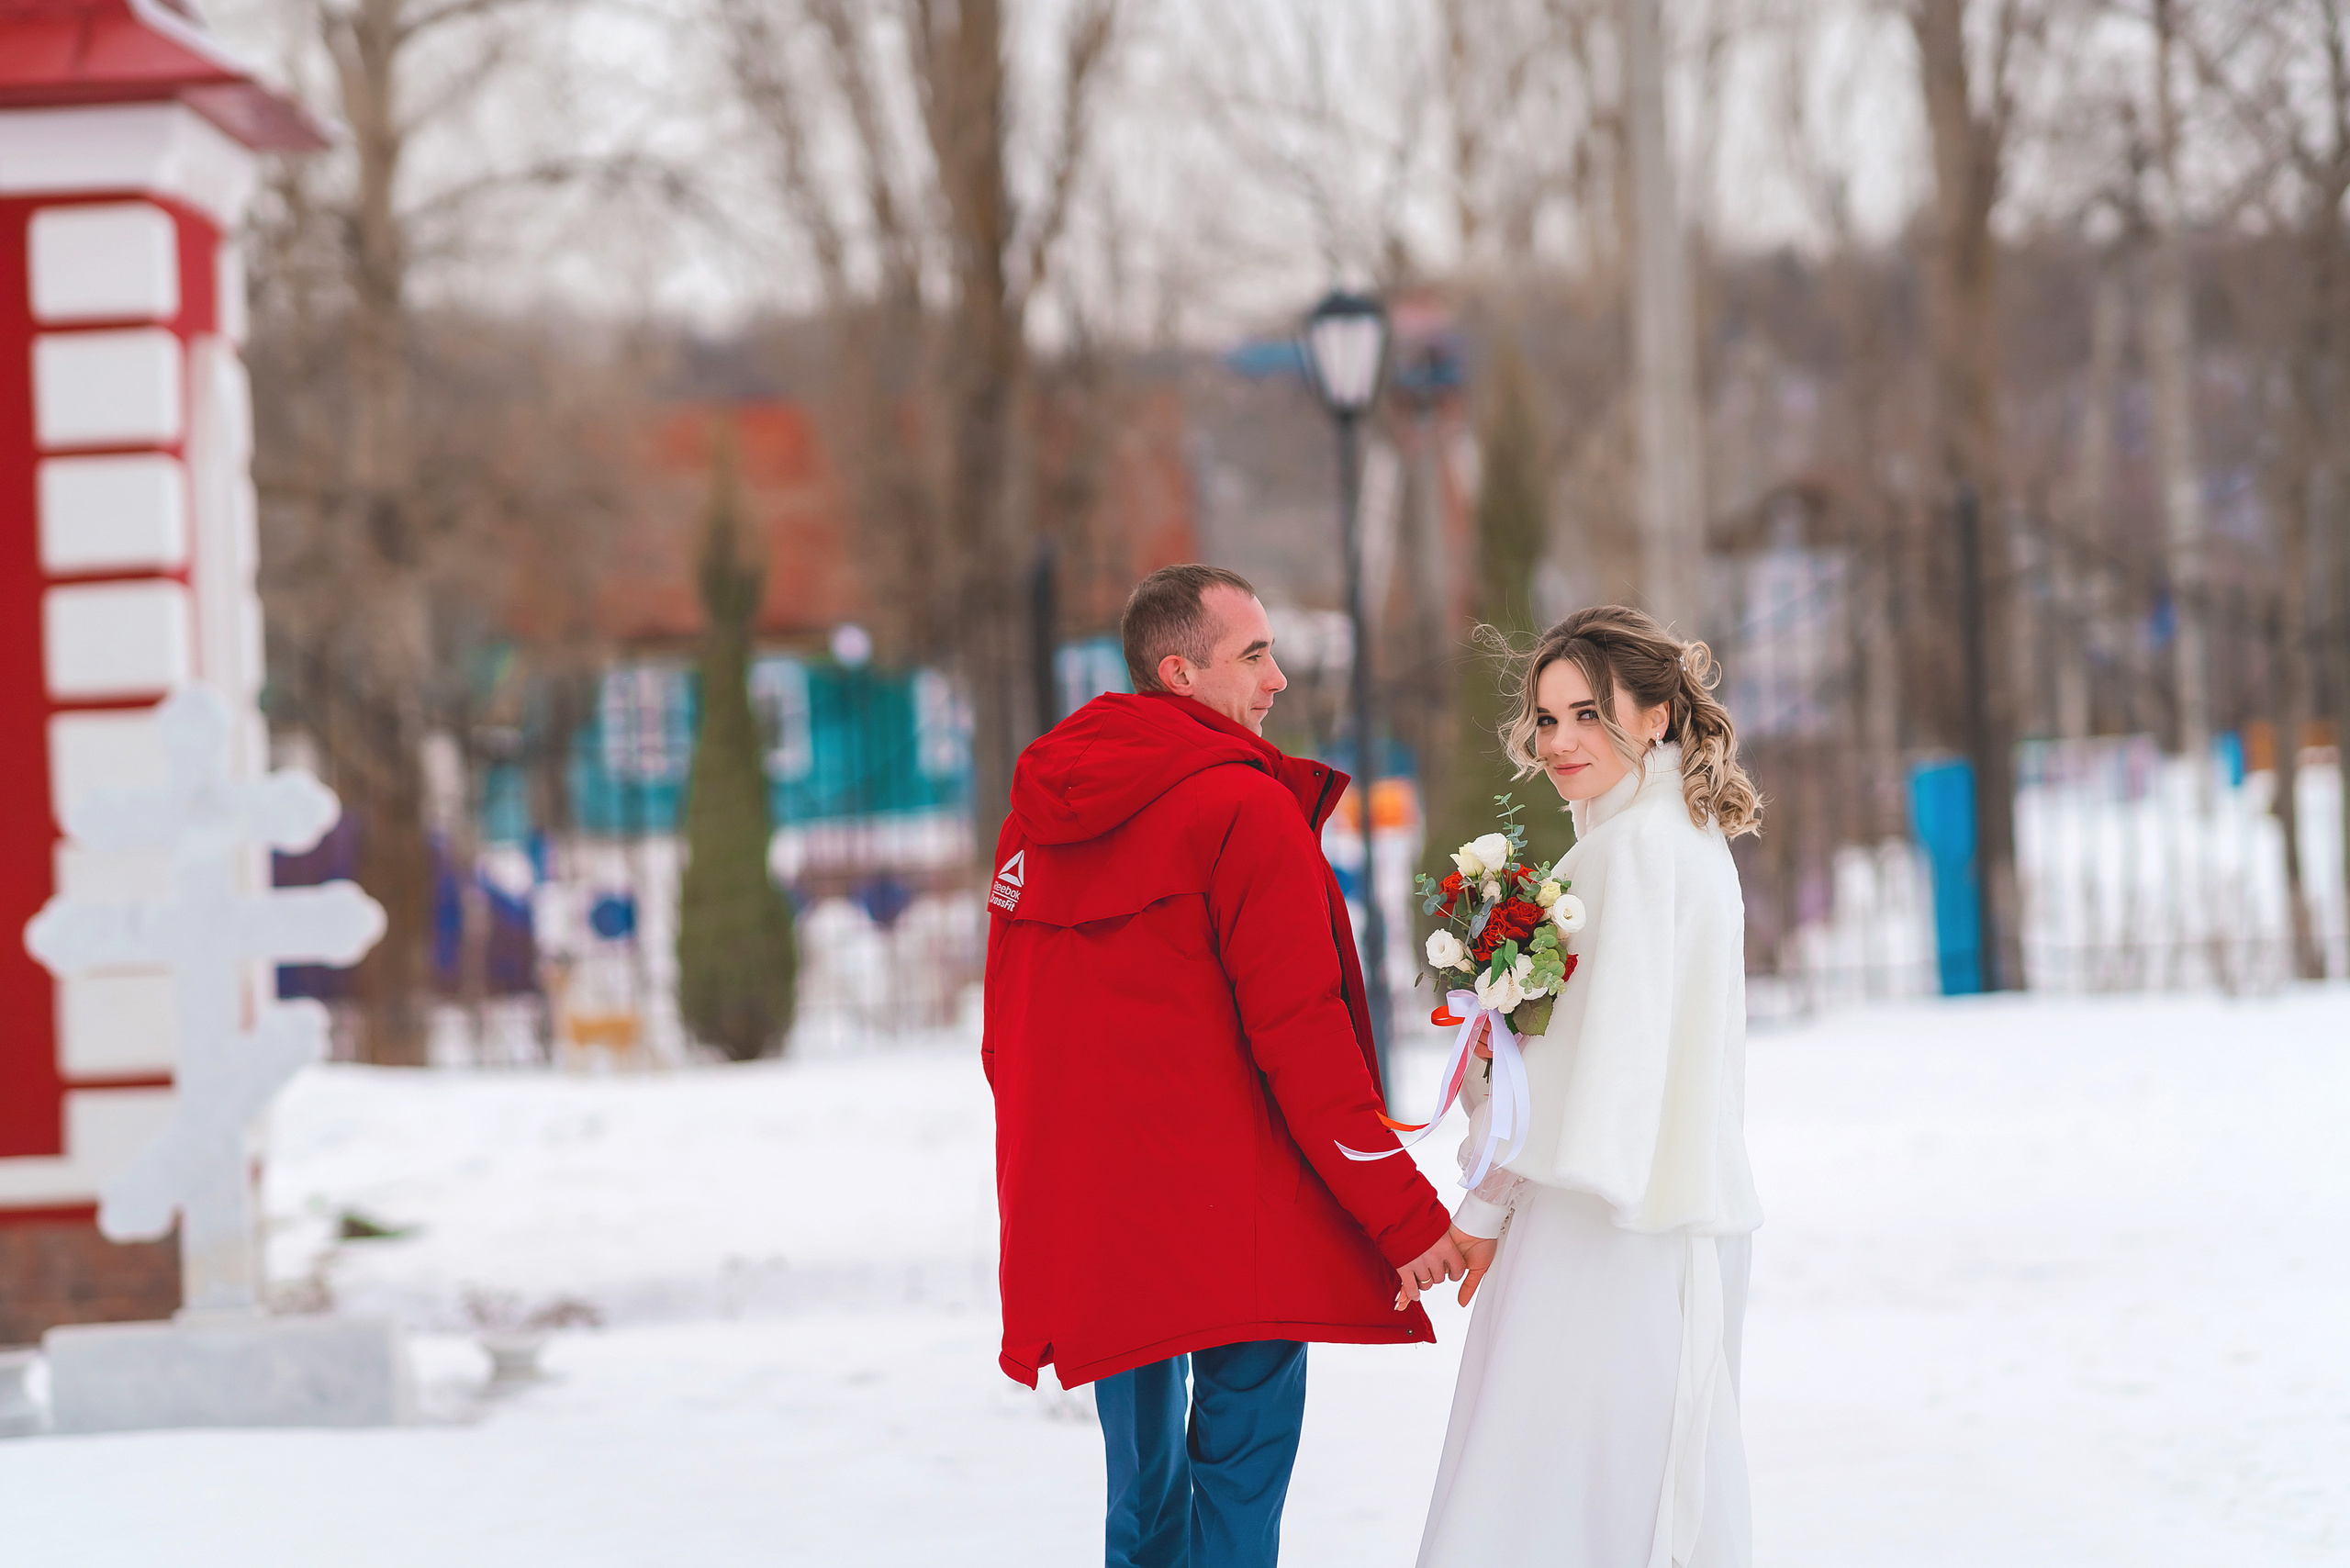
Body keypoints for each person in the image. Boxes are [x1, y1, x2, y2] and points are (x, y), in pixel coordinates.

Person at [984, 563, 1466, 1568]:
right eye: (1254, 654)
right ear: (1178, 672)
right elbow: (1303, 1038)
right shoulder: (1240, 811)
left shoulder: (1039, 815)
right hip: (1237, 1217)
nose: (1278, 678)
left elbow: (1009, 1037)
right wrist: (1403, 1215)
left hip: (1107, 1217)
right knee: (1236, 1501)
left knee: (1142, 1505)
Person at [1412, 605, 1766, 1568]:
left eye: (1584, 714)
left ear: (1653, 716)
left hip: (1605, 1230)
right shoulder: (1681, 838)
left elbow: (1588, 1066)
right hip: (1674, 1216)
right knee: (1631, 1493)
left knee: (1540, 1495)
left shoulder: (1630, 852)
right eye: (1546, 717)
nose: (1558, 740)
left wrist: (1478, 1213)